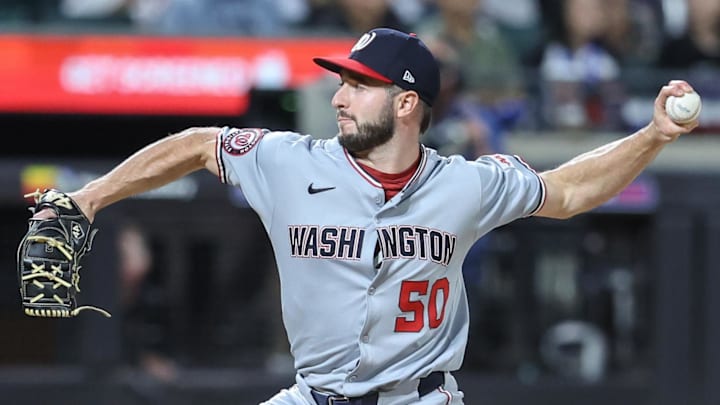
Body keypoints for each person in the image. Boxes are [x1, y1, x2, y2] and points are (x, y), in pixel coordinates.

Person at [30, 27, 698, 404]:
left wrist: (652, 135)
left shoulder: (465, 185)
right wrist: (92, 197)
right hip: (311, 395)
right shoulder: (289, 162)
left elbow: (569, 191)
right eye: (342, 81)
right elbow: (197, 143)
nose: (341, 96)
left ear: (407, 103)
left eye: (358, 84)